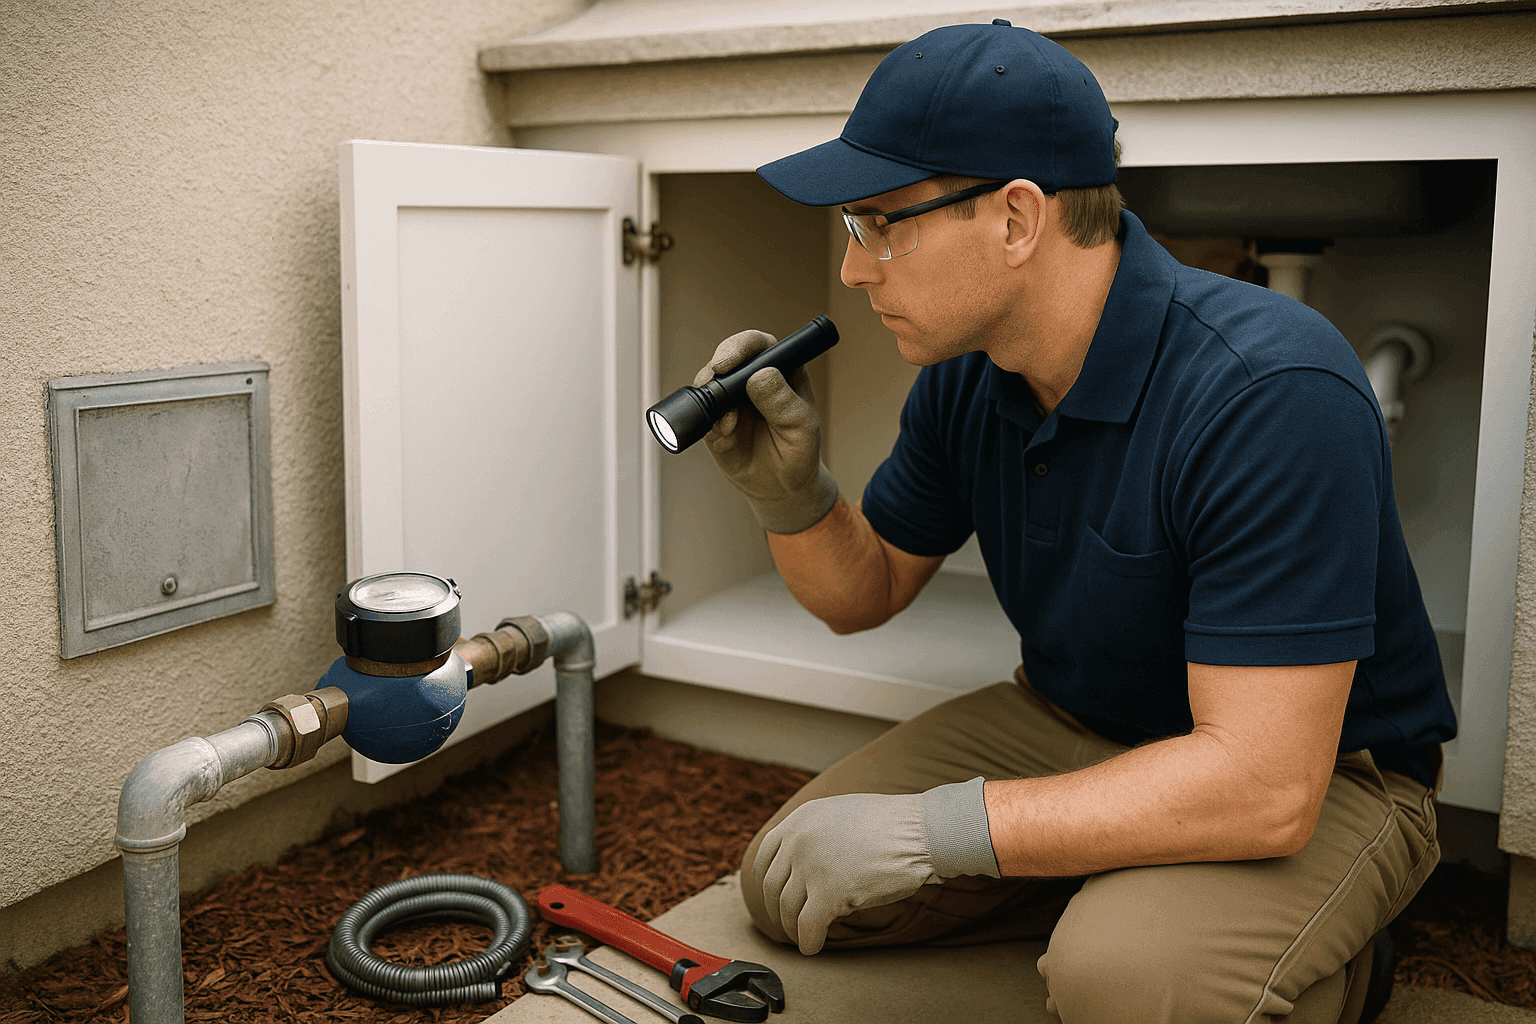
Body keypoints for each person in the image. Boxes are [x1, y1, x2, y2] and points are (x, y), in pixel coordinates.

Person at [689, 19, 1458, 1024]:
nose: (854, 271)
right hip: (1070, 722)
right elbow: (861, 593)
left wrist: (937, 835)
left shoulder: (1270, 390)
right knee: (792, 883)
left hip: (1322, 771)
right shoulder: (970, 374)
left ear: (1016, 218)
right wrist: (788, 494)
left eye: (879, 223)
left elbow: (1266, 784)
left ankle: (1331, 963)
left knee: (1128, 981)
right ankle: (1113, 878)